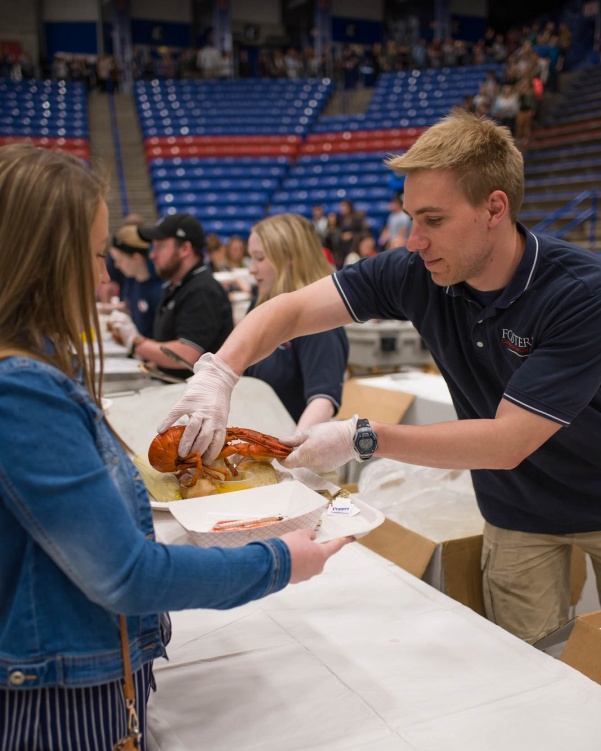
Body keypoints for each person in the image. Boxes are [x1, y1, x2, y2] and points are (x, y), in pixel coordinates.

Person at [0, 143, 350, 751]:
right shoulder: (20, 389)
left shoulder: (31, 373)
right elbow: (124, 572)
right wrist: (282, 561)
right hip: (55, 708)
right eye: (93, 256)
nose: (103, 278)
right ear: (42, 255)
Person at [156, 108, 601, 648]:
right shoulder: (416, 273)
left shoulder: (578, 293)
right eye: (410, 217)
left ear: (495, 208)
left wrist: (363, 437)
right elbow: (292, 310)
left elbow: (508, 440)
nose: (415, 239)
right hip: (517, 508)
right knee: (532, 662)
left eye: (434, 220)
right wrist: (219, 372)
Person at [244, 213, 349, 428]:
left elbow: (322, 401)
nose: (251, 269)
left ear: (290, 259)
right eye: (251, 258)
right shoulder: (257, 307)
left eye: (260, 258)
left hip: (286, 448)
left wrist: (289, 454)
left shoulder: (320, 320)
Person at [109, 213, 233, 380]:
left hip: (196, 397)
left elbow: (186, 354)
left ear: (184, 249)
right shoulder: (177, 285)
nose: (152, 255)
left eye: (160, 247)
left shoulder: (202, 290)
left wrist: (136, 342)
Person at [108, 224, 163, 337]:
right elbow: (130, 305)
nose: (116, 265)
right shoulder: (132, 281)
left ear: (136, 258)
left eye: (119, 260)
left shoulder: (159, 291)